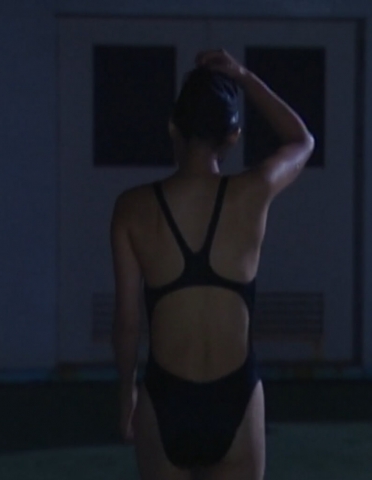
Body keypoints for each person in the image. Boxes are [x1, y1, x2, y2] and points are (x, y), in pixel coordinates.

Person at [110, 48, 315, 480]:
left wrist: (127, 395)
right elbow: (301, 140)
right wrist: (243, 76)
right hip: (236, 399)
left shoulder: (132, 208)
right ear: (233, 137)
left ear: (173, 127)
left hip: (164, 400)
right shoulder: (253, 191)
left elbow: (127, 321)